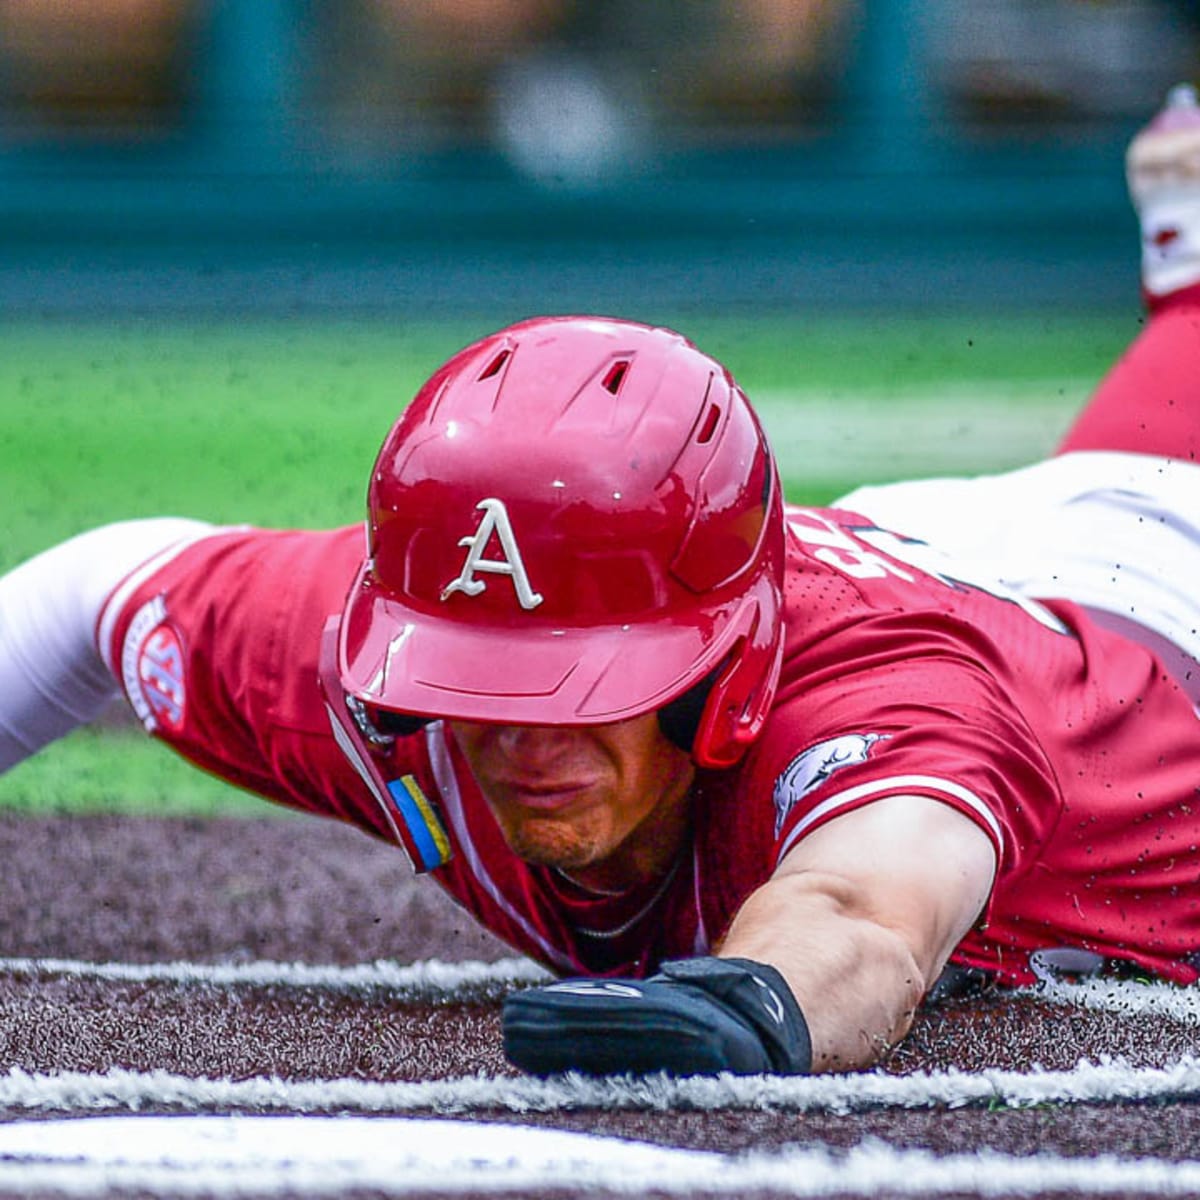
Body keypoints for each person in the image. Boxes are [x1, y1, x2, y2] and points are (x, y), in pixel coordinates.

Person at [4, 87, 1200, 1080]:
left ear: (731, 666)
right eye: (479, 673)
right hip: (1000, 550)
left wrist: (750, 1009)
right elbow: (98, 596)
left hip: (1151, 638)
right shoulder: (399, 657)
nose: (522, 732)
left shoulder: (883, 707)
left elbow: (866, 915)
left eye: (584, 682)